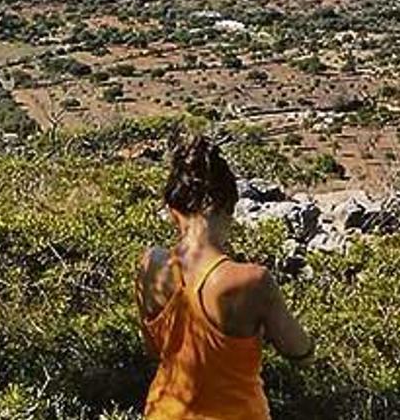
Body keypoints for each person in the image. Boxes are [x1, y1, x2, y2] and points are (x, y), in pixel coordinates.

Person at [135, 135, 314, 419]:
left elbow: (153, 349)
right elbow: (300, 353)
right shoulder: (251, 281)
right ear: (229, 208)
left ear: (172, 211)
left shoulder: (150, 265)